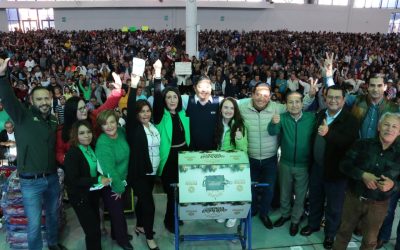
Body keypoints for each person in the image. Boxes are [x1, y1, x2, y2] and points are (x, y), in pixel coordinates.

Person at [0, 58, 66, 250]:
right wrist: (2, 76)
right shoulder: (22, 116)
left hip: (52, 178)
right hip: (30, 181)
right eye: (39, 99)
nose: (44, 102)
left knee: (53, 215)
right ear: (31, 100)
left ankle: (53, 244)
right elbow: (8, 98)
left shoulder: (53, 121)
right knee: (35, 223)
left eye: (47, 98)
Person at [239, 82, 315, 230]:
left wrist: (311, 95)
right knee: (250, 187)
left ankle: (264, 213)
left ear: (270, 97)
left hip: (270, 157)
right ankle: (253, 209)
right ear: (252, 94)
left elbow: (296, 105)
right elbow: (227, 109)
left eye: (266, 95)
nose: (261, 98)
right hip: (250, 156)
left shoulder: (277, 108)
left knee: (269, 189)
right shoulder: (242, 108)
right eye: (258, 94)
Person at [300, 85, 359, 249]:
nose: (333, 100)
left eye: (337, 97)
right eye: (330, 97)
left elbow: (348, 143)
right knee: (315, 199)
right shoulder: (320, 114)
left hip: (337, 172)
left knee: (334, 206)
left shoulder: (351, 120)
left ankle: (330, 234)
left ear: (343, 100)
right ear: (325, 98)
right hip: (317, 168)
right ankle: (313, 224)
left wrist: (328, 134)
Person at [333, 112, 400, 250]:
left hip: (379, 205)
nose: (389, 129)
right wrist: (362, 174)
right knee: (343, 233)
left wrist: (392, 185)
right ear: (379, 127)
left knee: (370, 241)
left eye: (394, 126)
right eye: (386, 124)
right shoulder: (362, 144)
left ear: (399, 131)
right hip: (354, 198)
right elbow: (344, 165)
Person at [268, 91, 316, 236]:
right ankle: (285, 215)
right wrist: (273, 123)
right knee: (284, 192)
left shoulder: (311, 118)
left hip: (303, 165)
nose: (294, 105)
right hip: (285, 163)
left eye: (297, 102)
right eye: (290, 102)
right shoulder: (282, 118)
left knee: (300, 195)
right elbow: (272, 131)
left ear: (302, 104)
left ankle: (295, 220)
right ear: (286, 104)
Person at [152, 60, 190, 234]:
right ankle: (169, 221)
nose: (172, 100)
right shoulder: (161, 115)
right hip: (168, 160)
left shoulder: (182, 114)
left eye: (175, 96)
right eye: (169, 97)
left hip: (183, 156)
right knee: (171, 193)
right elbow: (157, 94)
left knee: (181, 192)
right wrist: (158, 75)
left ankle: (176, 216)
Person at [64, 120, 112, 250]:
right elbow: (74, 180)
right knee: (92, 231)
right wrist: (97, 179)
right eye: (82, 133)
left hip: (92, 194)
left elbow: (94, 169)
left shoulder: (91, 147)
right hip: (80, 197)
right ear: (75, 135)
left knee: (95, 226)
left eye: (89, 132)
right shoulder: (73, 153)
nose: (86, 135)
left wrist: (101, 176)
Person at [126, 73, 160, 250]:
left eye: (147, 110)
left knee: (142, 201)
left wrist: (157, 80)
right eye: (142, 111)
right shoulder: (134, 127)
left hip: (152, 172)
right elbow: (131, 106)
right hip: (139, 173)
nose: (145, 114)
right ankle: (149, 236)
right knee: (149, 205)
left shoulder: (153, 126)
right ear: (136, 114)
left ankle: (140, 225)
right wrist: (133, 85)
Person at [95, 110, 132, 250]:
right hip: (111, 184)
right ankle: (122, 240)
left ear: (117, 122)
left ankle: (116, 234)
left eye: (111, 122)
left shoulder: (121, 133)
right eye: (104, 124)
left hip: (122, 180)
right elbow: (109, 170)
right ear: (101, 127)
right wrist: (118, 188)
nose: (109, 126)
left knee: (119, 210)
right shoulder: (103, 143)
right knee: (117, 214)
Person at [214, 97, 248, 228]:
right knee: (222, 191)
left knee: (232, 190)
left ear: (235, 110)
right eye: (225, 107)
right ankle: (223, 212)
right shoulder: (218, 123)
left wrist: (239, 139)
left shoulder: (240, 125)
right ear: (221, 109)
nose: (228, 110)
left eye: (231, 108)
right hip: (220, 164)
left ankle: (233, 215)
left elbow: (243, 151)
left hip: (234, 166)